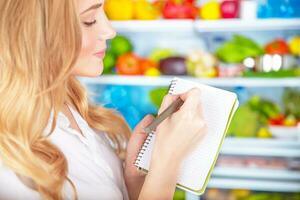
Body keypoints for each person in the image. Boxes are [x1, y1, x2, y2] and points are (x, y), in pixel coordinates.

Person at [0, 0, 207, 199]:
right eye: (89, 20)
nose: (110, 31)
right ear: (36, 34)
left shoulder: (70, 104)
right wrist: (167, 162)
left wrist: (133, 181)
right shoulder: (10, 161)